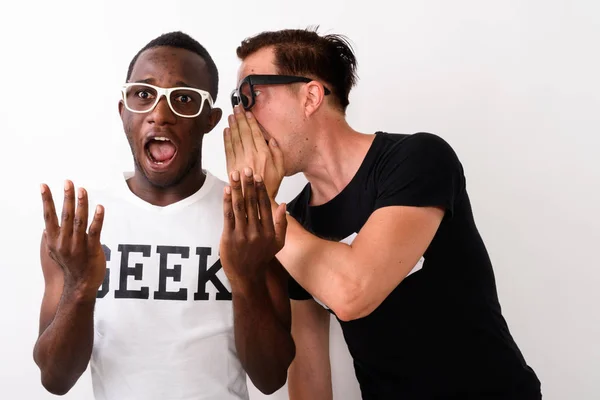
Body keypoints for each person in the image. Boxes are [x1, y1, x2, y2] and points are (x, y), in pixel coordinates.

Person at [225, 28, 543, 399]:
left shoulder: (417, 160)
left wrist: (260, 201)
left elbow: (354, 292)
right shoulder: (292, 222)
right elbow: (309, 373)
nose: (241, 117)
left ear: (310, 96)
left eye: (250, 96)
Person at [33, 31, 295, 400]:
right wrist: (79, 288)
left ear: (209, 118)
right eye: (143, 94)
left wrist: (247, 278)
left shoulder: (248, 217)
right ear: (123, 111)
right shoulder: (79, 229)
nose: (160, 114)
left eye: (184, 99)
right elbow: (54, 380)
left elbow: (271, 378)